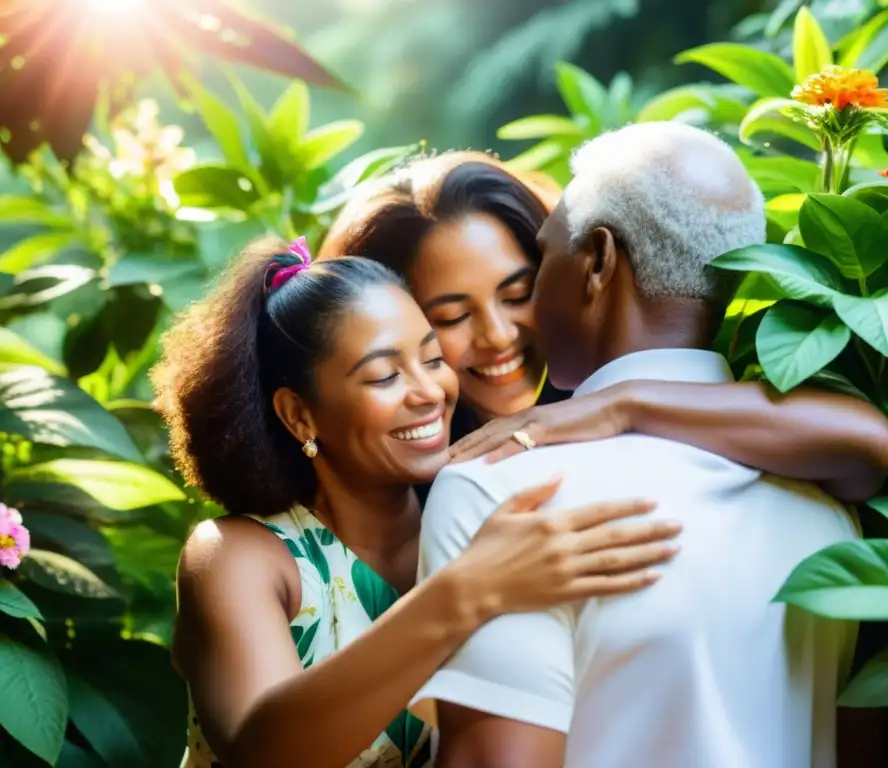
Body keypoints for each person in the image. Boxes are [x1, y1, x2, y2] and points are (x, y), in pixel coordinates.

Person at [412, 123, 887, 767]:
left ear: (598, 260)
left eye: (540, 264)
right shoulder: (828, 509)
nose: (511, 327)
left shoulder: (498, 491)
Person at [154, 237, 684, 768]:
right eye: (385, 375)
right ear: (299, 415)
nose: (429, 391)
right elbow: (262, 751)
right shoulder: (240, 557)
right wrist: (469, 590)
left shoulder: (476, 521)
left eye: (433, 358)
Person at [320, 151, 888, 503]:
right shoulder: (413, 480)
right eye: (451, 316)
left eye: (519, 294)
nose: (497, 335)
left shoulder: (621, 380)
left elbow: (865, 443)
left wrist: (620, 405)